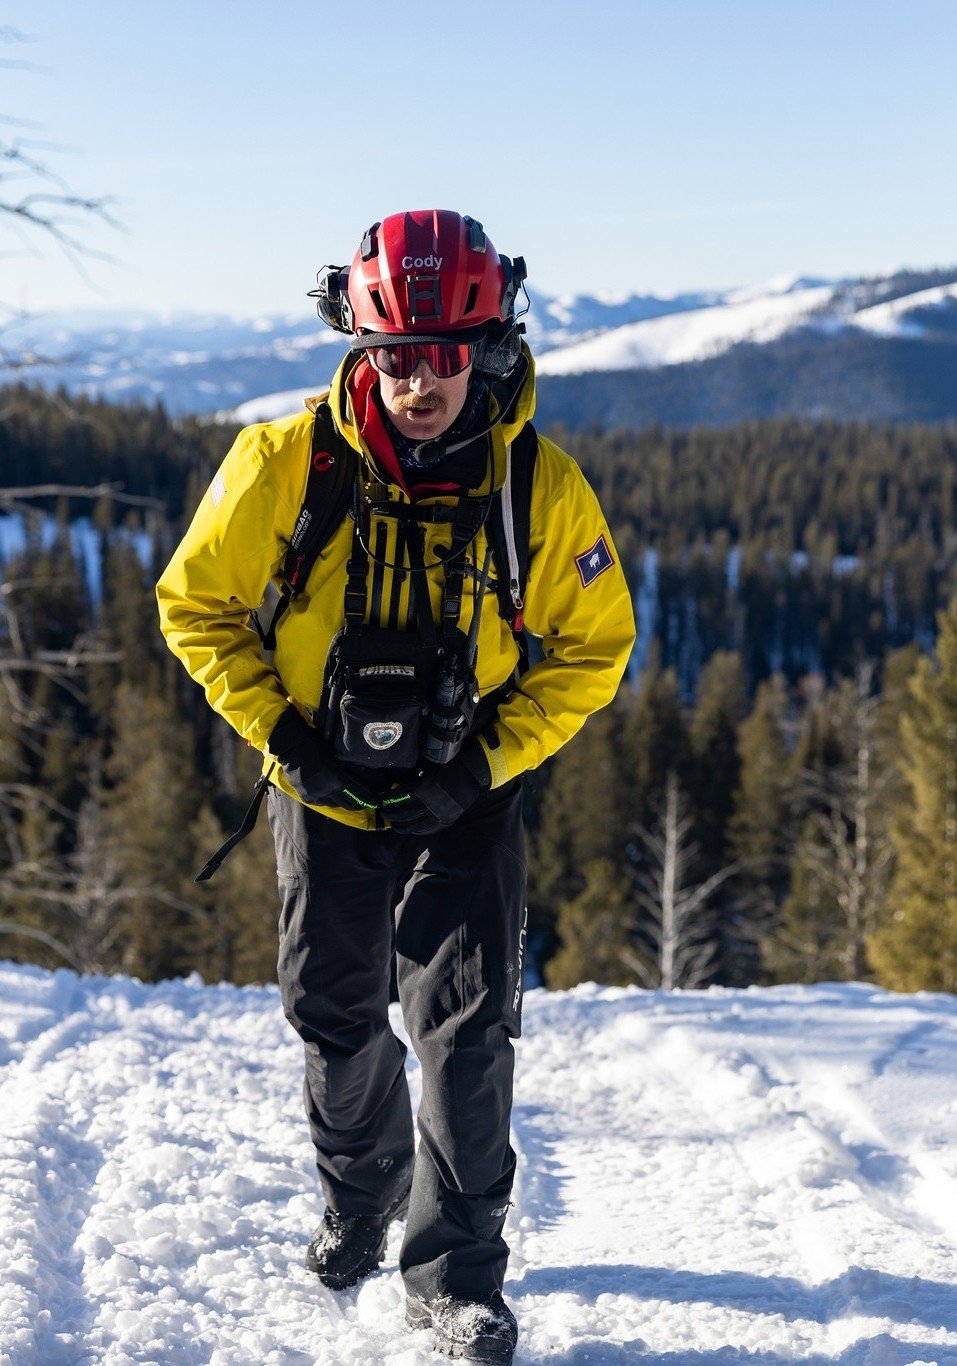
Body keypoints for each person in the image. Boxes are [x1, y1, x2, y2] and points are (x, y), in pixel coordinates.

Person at [157, 210, 635, 1365]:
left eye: (447, 352)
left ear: (492, 341)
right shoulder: (281, 466)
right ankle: (362, 1189)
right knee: (332, 1014)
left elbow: (591, 648)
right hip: (319, 785)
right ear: (360, 344)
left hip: (465, 797)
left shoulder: (539, 490)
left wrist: (483, 759)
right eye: (398, 355)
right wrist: (284, 735)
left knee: (468, 1031)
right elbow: (196, 606)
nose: (422, 381)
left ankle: (456, 1279)